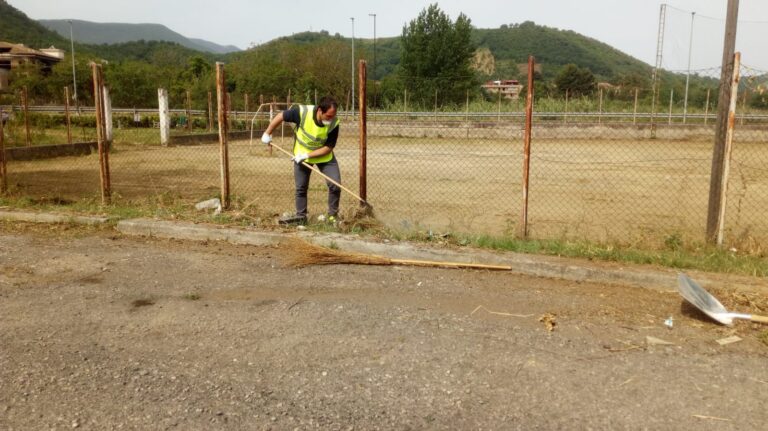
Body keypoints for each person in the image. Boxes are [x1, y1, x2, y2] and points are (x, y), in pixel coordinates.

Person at [261, 96, 341, 225]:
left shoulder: (334, 123)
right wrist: (268, 132)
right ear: (320, 110)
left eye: (333, 116)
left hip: (323, 157)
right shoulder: (302, 112)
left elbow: (328, 148)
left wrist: (307, 155)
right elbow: (281, 116)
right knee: (301, 187)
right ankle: (301, 217)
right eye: (328, 116)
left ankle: (332, 216)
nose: (331, 119)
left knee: (335, 185)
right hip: (301, 154)